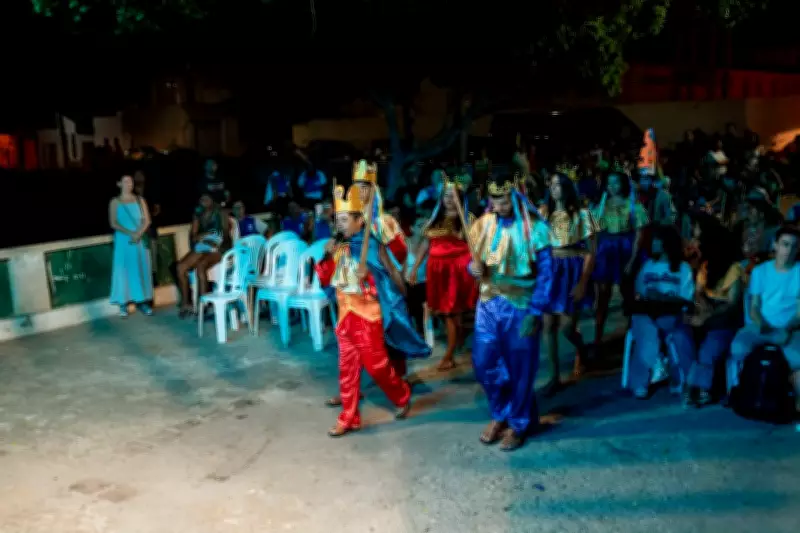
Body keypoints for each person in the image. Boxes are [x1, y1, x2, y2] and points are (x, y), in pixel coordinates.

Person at [324, 161, 431, 408]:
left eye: (366, 188)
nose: (361, 193)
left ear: (374, 191)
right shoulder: (346, 221)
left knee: (389, 335)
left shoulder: (383, 223)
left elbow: (400, 257)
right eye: (357, 187)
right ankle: (351, 390)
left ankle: (400, 386)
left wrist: (391, 277)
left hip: (382, 288)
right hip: (352, 289)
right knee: (352, 342)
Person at [314, 185, 414, 437]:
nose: (340, 225)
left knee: (377, 365)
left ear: (360, 221)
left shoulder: (372, 245)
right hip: (345, 315)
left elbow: (384, 279)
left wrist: (368, 276)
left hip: (367, 316)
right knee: (346, 368)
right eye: (337, 220)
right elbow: (326, 279)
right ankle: (348, 417)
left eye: (345, 220)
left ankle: (402, 395)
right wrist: (325, 258)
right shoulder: (336, 246)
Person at [467, 171, 553, 451]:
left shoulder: (535, 228)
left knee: (521, 368)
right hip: (489, 302)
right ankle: (500, 412)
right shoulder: (482, 225)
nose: (499, 206)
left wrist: (535, 312)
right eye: (494, 200)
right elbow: (475, 263)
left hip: (522, 305)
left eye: (503, 200)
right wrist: (473, 269)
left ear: (515, 196)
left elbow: (546, 273)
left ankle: (518, 423)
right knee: (484, 363)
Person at [409, 172, 479, 371]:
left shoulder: (467, 219)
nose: (449, 199)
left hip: (456, 269)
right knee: (447, 313)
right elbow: (426, 245)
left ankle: (449, 355)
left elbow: (473, 243)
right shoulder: (436, 216)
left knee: (450, 312)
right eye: (446, 196)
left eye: (453, 195)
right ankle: (456, 343)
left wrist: (462, 222)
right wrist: (415, 268)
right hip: (437, 269)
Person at [730, 225, 800, 410]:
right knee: (738, 348)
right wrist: (762, 324)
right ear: (775, 245)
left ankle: (789, 398)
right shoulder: (761, 271)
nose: (789, 250)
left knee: (797, 358)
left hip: (790, 327)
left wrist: (787, 328)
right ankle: (743, 391)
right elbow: (754, 307)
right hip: (762, 324)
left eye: (794, 246)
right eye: (785, 244)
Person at [542, 172, 599, 396]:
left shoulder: (582, 214)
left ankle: (581, 349)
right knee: (548, 326)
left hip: (572, 269)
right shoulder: (544, 213)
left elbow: (592, 250)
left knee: (566, 327)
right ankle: (554, 376)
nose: (555, 189)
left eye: (559, 185)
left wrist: (583, 281)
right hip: (550, 269)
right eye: (552, 184)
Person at [629, 225, 696, 400]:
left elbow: (686, 298)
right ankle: (643, 378)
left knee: (676, 330)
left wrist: (663, 297)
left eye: (656, 239)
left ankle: (676, 375)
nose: (652, 243)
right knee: (646, 331)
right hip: (646, 312)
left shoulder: (683, 269)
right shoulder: (648, 266)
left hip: (670, 313)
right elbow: (638, 294)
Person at [685, 215, 743, 406]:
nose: (695, 243)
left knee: (714, 337)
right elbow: (698, 293)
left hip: (726, 314)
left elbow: (732, 303)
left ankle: (700, 386)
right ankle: (692, 380)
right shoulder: (705, 265)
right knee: (684, 327)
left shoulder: (733, 268)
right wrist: (702, 306)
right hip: (709, 308)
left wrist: (707, 315)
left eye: (699, 239)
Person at [592, 171, 649, 351]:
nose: (612, 187)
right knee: (602, 295)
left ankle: (633, 333)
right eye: (609, 183)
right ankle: (597, 336)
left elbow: (640, 234)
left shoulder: (633, 206)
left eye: (616, 183)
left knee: (628, 292)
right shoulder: (601, 206)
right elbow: (594, 232)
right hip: (606, 251)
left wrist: (632, 260)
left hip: (625, 249)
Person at [175, 194, 231, 317]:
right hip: (202, 245)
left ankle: (204, 304)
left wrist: (210, 240)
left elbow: (225, 234)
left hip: (219, 247)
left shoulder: (220, 212)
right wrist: (202, 237)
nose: (204, 201)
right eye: (201, 199)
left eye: (206, 199)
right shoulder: (198, 214)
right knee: (180, 267)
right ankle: (186, 303)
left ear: (212, 199)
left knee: (201, 265)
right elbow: (194, 236)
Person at [109, 175, 154, 317]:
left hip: (139, 239)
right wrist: (130, 233)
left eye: (131, 181)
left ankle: (142, 301)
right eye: (126, 181)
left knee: (140, 269)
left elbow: (147, 220)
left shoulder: (140, 200)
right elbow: (113, 222)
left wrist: (138, 233)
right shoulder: (115, 202)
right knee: (123, 270)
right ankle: (123, 302)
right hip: (123, 240)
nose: (129, 184)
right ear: (119, 183)